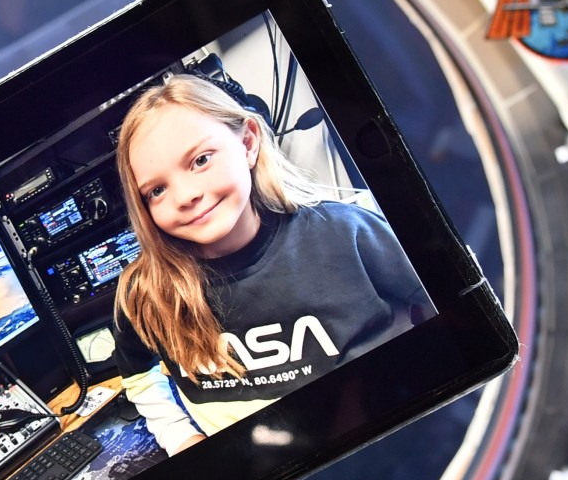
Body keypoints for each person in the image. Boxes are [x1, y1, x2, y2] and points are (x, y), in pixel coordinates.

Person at [110, 73, 430, 455]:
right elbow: (139, 377)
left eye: (200, 160)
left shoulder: (347, 231)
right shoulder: (143, 293)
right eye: (156, 190)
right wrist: (180, 438)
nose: (185, 195)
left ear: (247, 142)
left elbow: (449, 305)